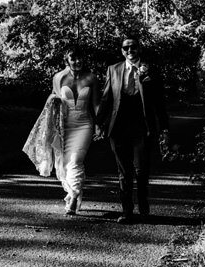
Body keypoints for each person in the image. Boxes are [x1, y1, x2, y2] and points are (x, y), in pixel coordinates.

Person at [97, 37, 169, 223]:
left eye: (133, 47)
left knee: (141, 170)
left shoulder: (150, 70)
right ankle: (127, 211)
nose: (130, 50)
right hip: (118, 128)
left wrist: (164, 127)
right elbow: (106, 98)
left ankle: (143, 203)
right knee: (124, 172)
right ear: (122, 51)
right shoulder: (113, 70)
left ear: (139, 49)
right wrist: (98, 122)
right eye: (126, 48)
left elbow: (160, 101)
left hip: (142, 127)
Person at [51, 46, 100, 215]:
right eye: (73, 59)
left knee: (76, 159)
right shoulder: (58, 77)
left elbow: (96, 104)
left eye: (80, 58)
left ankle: (74, 196)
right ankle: (73, 192)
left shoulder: (91, 78)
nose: (77, 62)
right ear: (67, 60)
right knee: (65, 162)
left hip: (84, 124)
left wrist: (100, 123)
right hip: (65, 125)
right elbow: (53, 100)